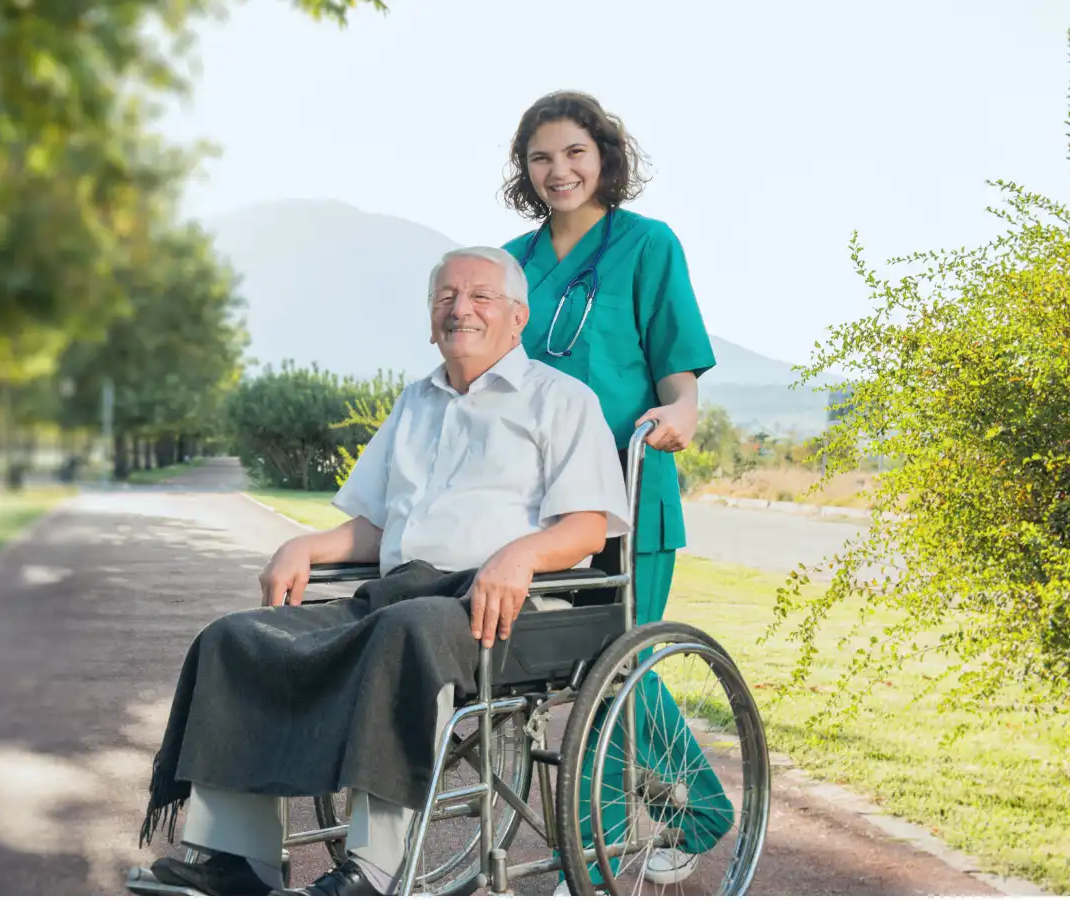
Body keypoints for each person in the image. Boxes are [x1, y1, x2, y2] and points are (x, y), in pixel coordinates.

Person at [130, 246, 632, 897]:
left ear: (517, 317)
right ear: (430, 320)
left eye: (480, 296)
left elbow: (587, 527)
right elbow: (374, 526)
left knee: (404, 630)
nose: (461, 308)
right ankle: (237, 860)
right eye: (446, 297)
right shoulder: (415, 402)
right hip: (399, 591)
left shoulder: (560, 401)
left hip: (508, 601)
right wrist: (308, 547)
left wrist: (521, 554)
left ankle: (374, 871)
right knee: (235, 637)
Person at [499, 90, 732, 888]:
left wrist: (684, 409)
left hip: (629, 491)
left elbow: (676, 360)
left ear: (604, 158)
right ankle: (674, 816)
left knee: (612, 669)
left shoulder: (647, 245)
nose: (558, 170)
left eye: (573, 153)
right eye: (541, 157)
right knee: (574, 672)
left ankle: (598, 857)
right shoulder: (512, 264)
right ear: (524, 171)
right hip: (532, 504)